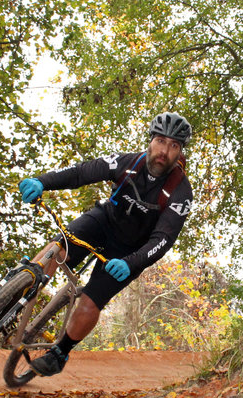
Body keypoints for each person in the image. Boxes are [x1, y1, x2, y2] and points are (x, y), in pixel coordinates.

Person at [18, 111, 194, 377]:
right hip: (103, 222)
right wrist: (42, 181)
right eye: (160, 140)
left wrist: (131, 262)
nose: (164, 150)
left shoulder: (180, 191)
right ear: (150, 141)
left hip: (129, 252)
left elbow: (164, 239)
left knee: (90, 302)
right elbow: (81, 173)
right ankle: (20, 287)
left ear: (180, 152)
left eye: (173, 145)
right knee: (58, 247)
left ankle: (60, 352)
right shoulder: (127, 163)